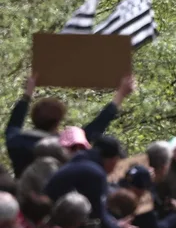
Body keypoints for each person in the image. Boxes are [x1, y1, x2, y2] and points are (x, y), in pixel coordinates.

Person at [5, 71, 135, 177]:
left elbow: (13, 124)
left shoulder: (16, 142)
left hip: (23, 199)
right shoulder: (65, 148)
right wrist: (120, 95)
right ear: (58, 121)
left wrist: (27, 94)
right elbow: (95, 128)